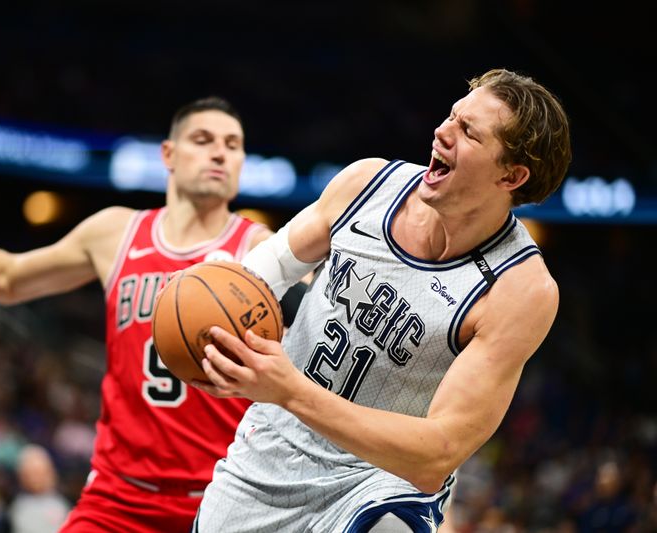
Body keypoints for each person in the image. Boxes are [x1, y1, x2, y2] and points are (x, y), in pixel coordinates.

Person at [192, 68, 572, 532]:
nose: (442, 131)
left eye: (468, 132)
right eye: (452, 117)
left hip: (379, 480)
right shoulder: (367, 185)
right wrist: (207, 322)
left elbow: (437, 453)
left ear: (511, 175)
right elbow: (264, 272)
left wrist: (290, 390)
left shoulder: (520, 290)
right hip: (273, 446)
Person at [0, 96, 276, 532]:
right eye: (203, 140)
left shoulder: (263, 250)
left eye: (233, 144)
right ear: (168, 154)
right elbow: (6, 278)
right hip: (119, 495)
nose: (219, 153)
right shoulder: (115, 232)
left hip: (225, 496)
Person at [8, 444, 71, 533]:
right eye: (32, 474)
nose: (37, 479)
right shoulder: (19, 507)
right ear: (22, 477)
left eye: (41, 473)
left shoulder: (65, 500)